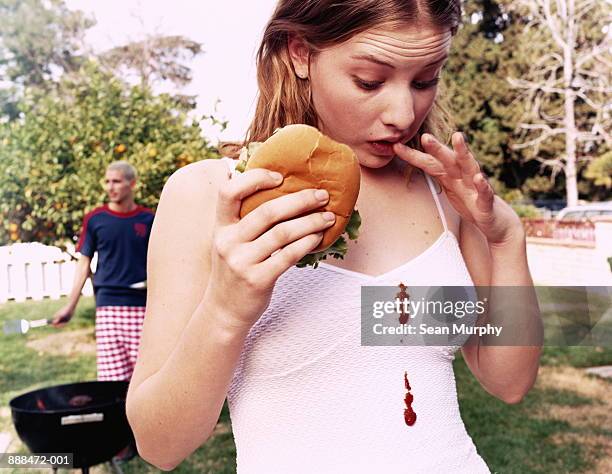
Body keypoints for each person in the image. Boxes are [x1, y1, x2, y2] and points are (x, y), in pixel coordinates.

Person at [126, 1, 543, 472]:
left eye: (425, 79)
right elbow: (159, 445)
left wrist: (506, 239)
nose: (403, 113)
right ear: (300, 53)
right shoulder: (209, 194)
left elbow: (509, 381)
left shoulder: (444, 197)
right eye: (370, 81)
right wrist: (226, 310)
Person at [52, 160, 155, 382]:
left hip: (142, 306)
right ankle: (115, 419)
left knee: (143, 380)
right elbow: (83, 264)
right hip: (107, 305)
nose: (110, 187)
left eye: (116, 181)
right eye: (107, 181)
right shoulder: (96, 219)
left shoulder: (149, 220)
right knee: (112, 382)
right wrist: (70, 306)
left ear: (132, 183)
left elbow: (161, 263)